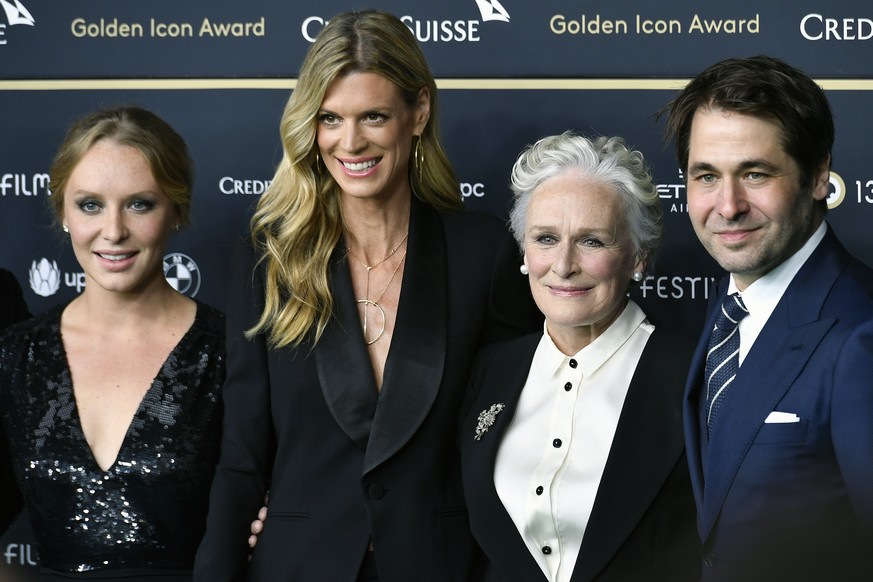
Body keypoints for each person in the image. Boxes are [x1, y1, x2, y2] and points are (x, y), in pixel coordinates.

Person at [193, 9, 540, 582]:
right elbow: (242, 455)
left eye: (373, 116)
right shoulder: (271, 258)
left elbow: (514, 440)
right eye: (330, 118)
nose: (349, 142)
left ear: (418, 112)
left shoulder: (483, 253)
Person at [662, 55, 873, 581]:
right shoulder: (732, 304)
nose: (727, 206)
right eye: (706, 176)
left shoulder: (862, 337)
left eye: (755, 174)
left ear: (819, 174)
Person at [459, 132, 700, 582]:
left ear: (639, 256)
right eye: (546, 238)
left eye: (592, 241)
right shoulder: (488, 372)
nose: (564, 264)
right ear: (524, 251)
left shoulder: (694, 377)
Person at [0, 106, 225, 580]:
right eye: (90, 205)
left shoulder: (233, 352)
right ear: (63, 211)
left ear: (177, 210)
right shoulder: (15, 355)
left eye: (140, 203)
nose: (114, 230)